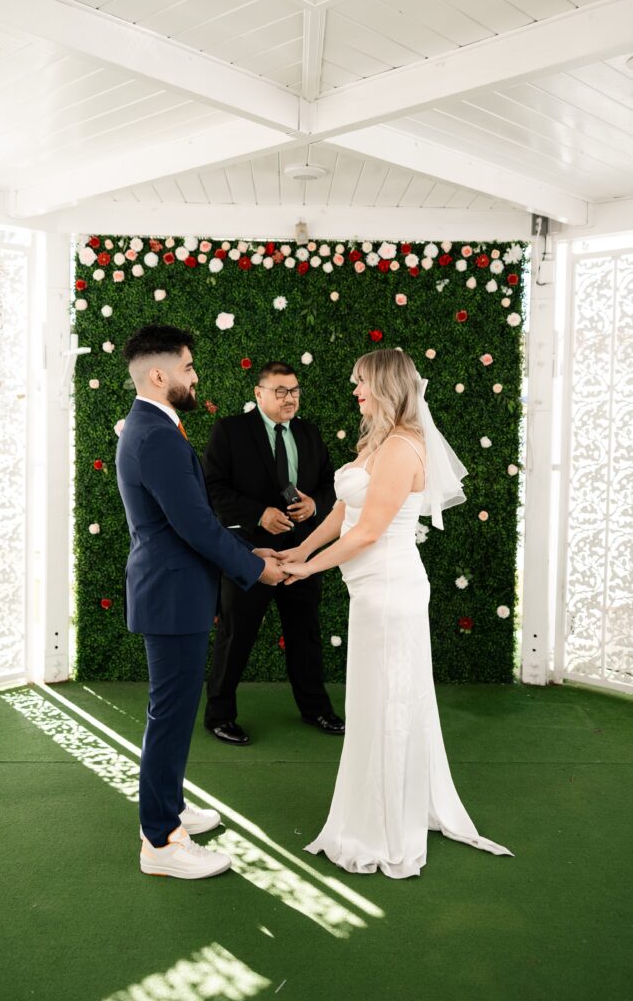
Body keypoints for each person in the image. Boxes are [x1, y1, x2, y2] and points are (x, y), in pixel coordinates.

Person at [279, 348, 513, 878]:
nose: (355, 390)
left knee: (388, 701)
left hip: (390, 591)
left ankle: (387, 823)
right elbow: (343, 512)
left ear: (384, 386)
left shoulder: (405, 447)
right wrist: (298, 550)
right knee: (373, 700)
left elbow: (367, 531)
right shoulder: (375, 442)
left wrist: (307, 569)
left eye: (361, 382)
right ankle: (380, 803)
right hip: (370, 591)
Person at [115, 325, 284, 880]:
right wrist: (257, 567)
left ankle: (171, 809)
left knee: (175, 711)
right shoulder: (157, 434)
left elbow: (193, 521)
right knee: (169, 716)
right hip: (171, 594)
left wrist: (247, 547)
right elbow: (190, 526)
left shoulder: (151, 426)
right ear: (158, 375)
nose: (195, 377)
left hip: (173, 589)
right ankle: (160, 842)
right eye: (188, 368)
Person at [201, 361, 344, 745]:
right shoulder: (230, 431)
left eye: (294, 391)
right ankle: (218, 715)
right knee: (236, 634)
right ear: (258, 393)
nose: (290, 399)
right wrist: (258, 514)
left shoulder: (310, 433)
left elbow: (333, 486)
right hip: (249, 551)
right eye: (280, 391)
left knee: (305, 632)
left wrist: (315, 505)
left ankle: (316, 708)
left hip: (303, 551)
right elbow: (213, 488)